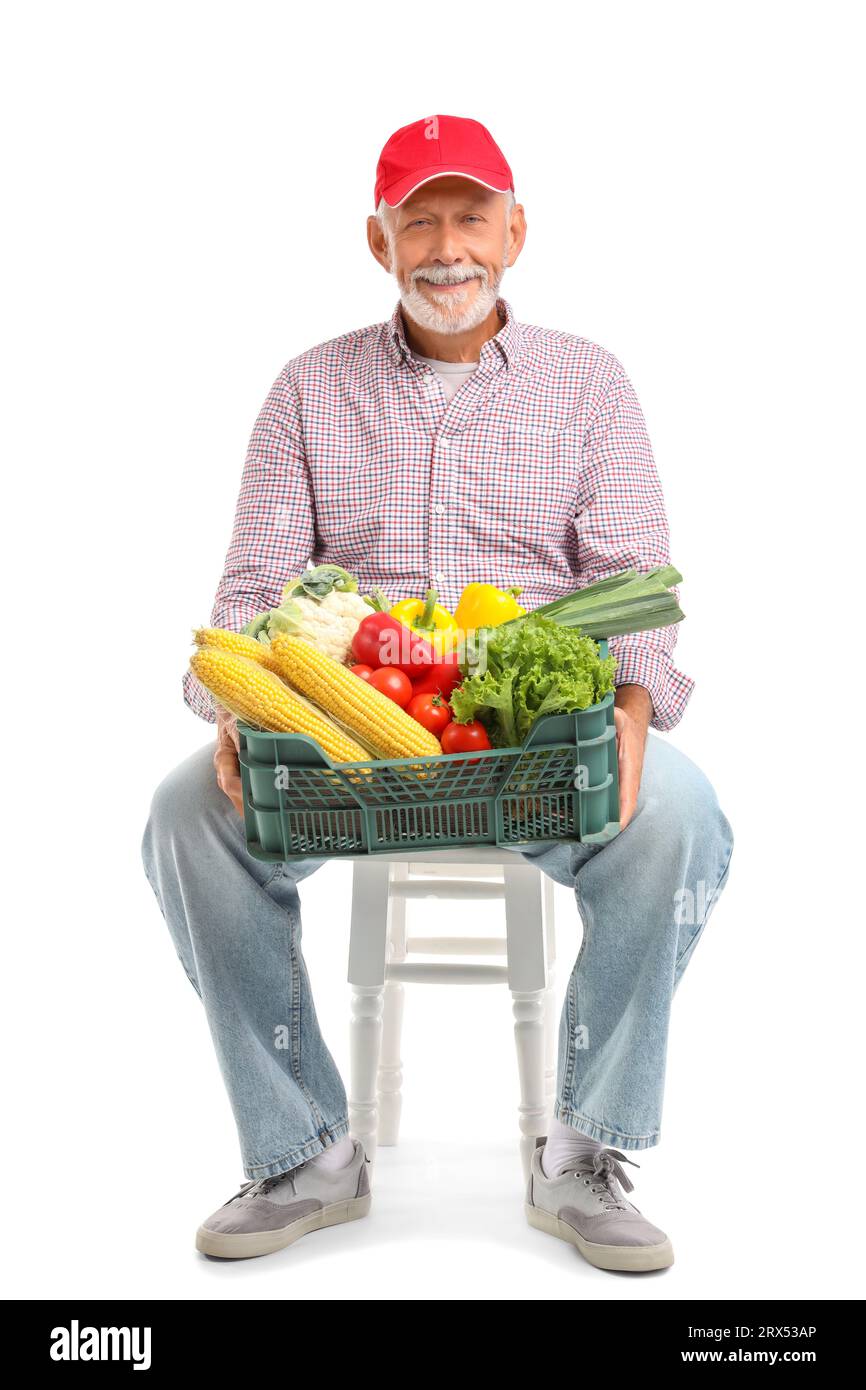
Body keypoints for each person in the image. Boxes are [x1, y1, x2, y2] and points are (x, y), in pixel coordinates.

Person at [141, 113, 734, 1272]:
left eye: (471, 217)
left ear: (515, 232)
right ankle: (302, 1145)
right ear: (379, 243)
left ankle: (580, 1146)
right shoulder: (308, 390)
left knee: (682, 816)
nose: (446, 246)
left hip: (529, 725)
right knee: (182, 817)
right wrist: (234, 713)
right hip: (345, 729)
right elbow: (256, 584)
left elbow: (631, 581)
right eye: (420, 220)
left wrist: (624, 711)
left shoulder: (587, 384)